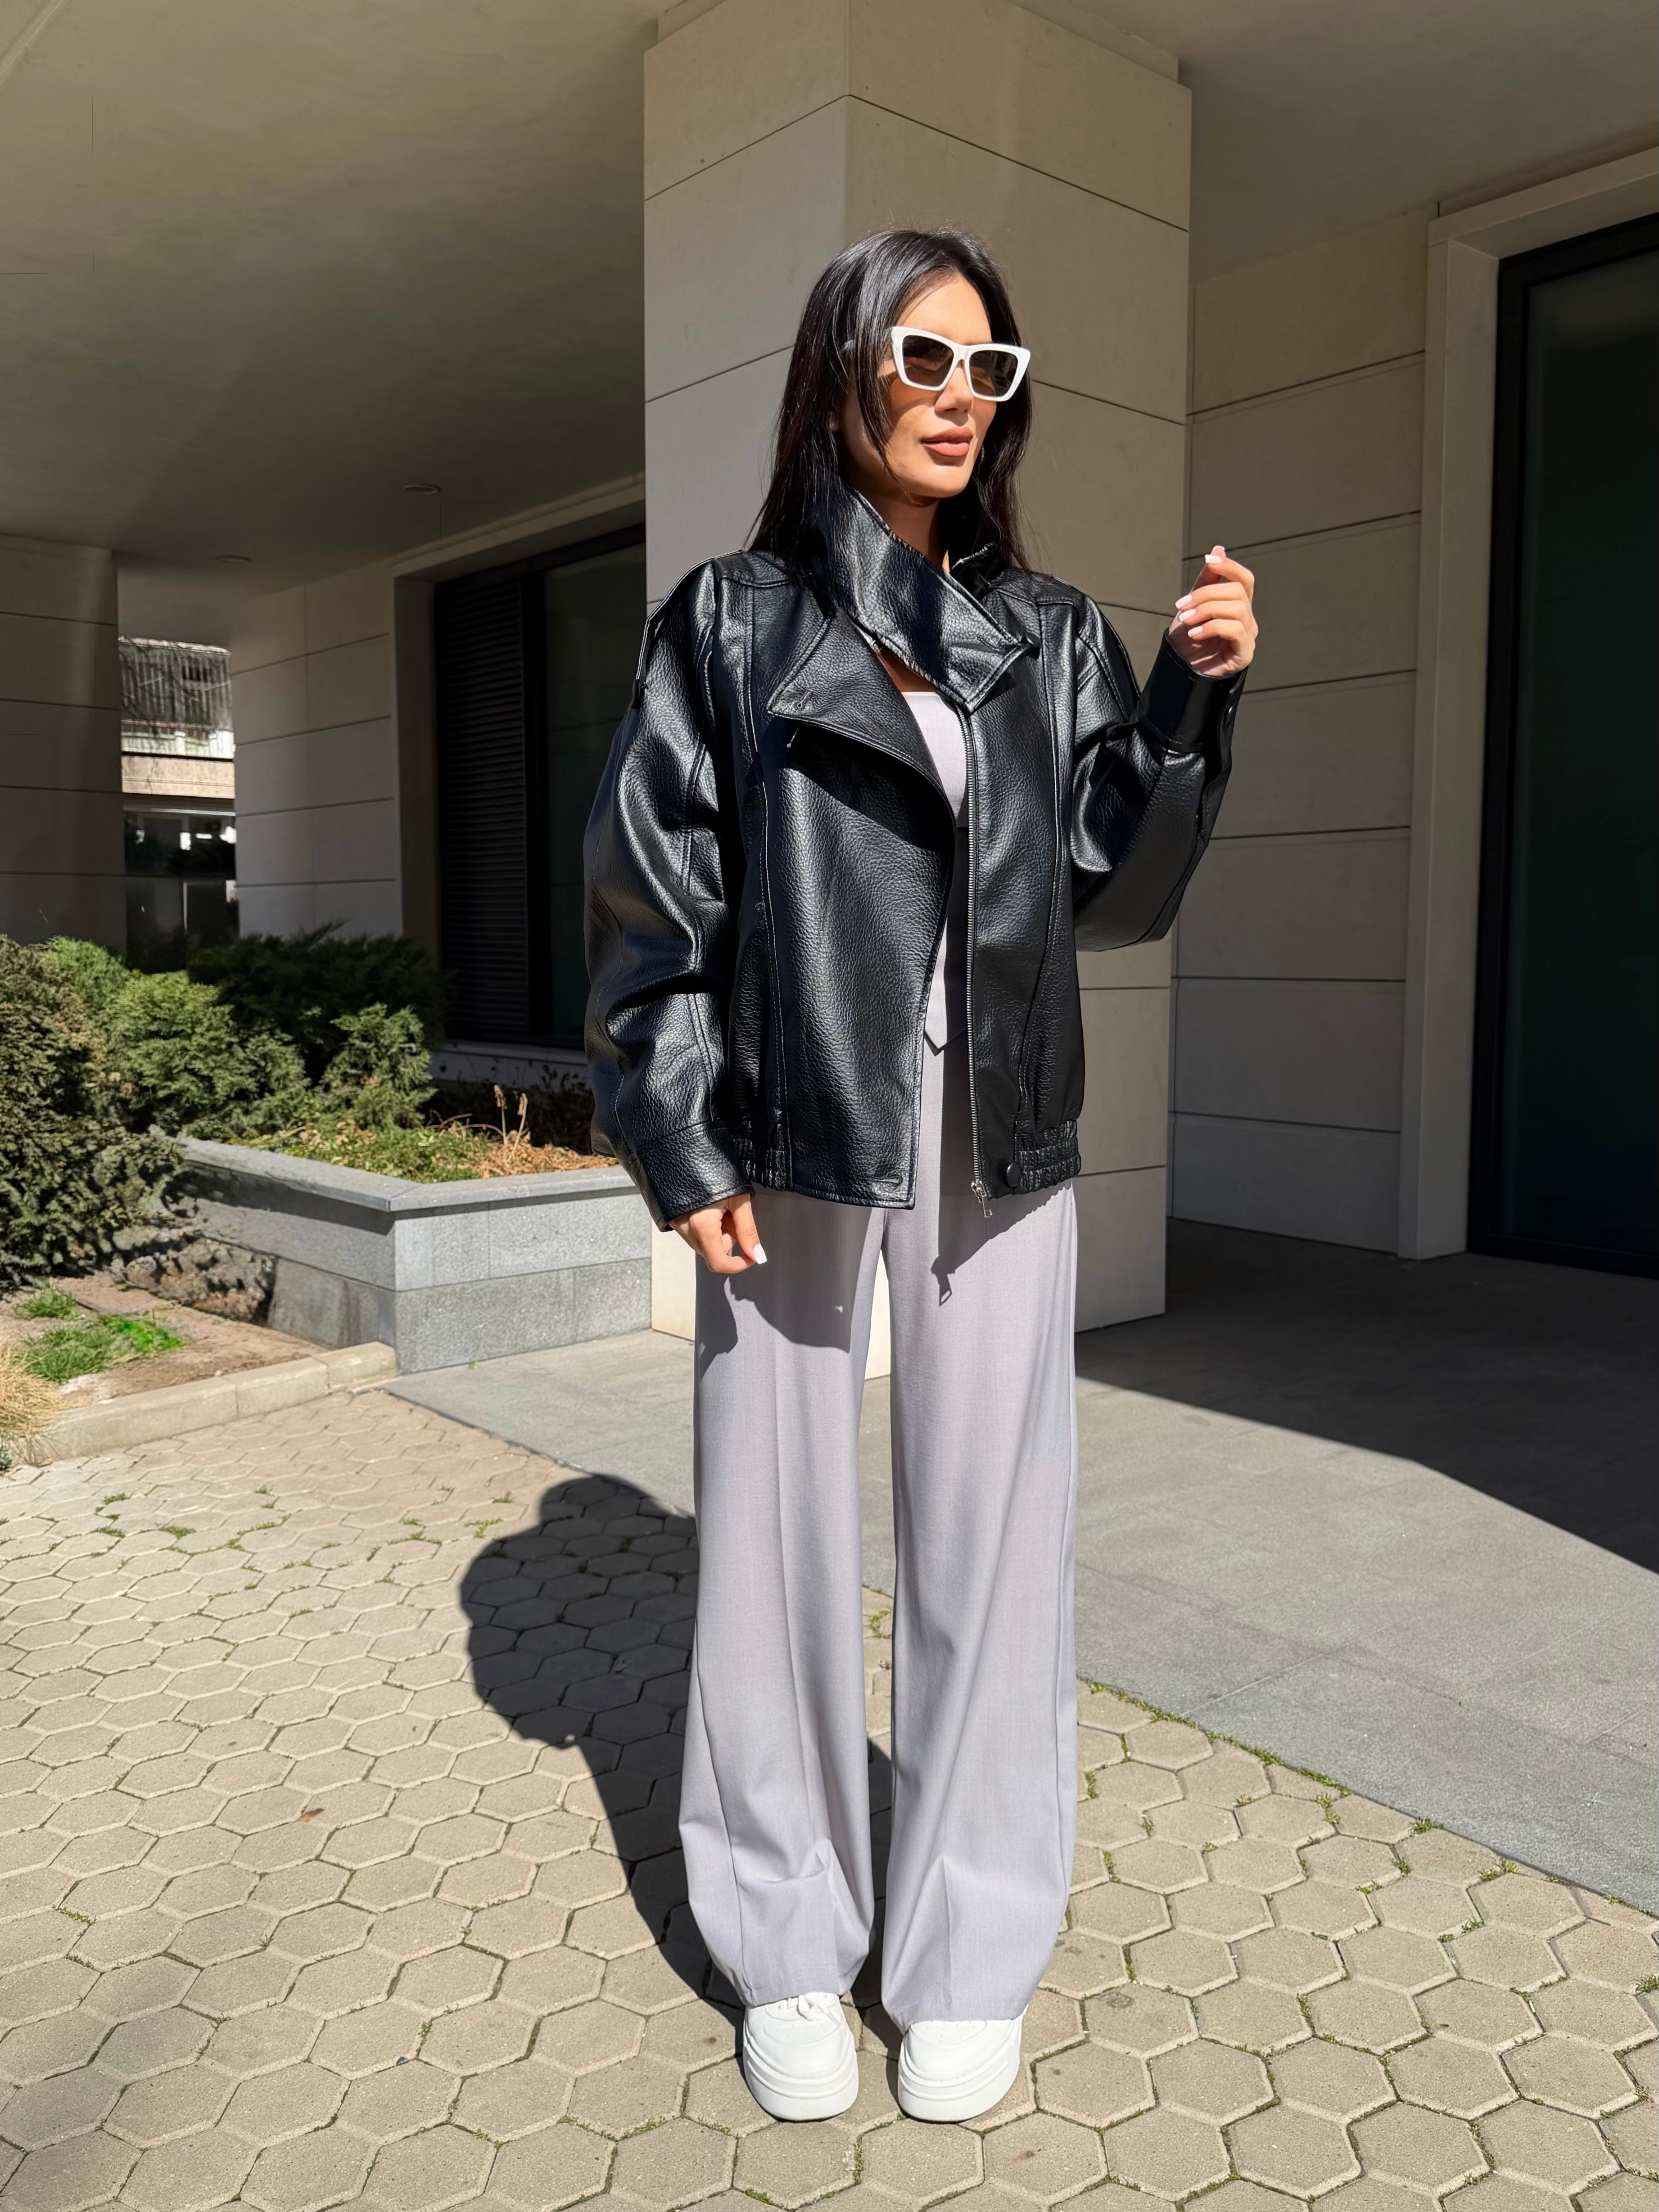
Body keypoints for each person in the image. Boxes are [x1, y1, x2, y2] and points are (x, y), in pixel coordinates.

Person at [583, 228, 1257, 2124]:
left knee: (996, 1540)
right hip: (791, 1115)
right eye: (926, 358)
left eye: (993, 370)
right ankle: (785, 1931)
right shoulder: (730, 620)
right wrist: (675, 1125)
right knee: (772, 1534)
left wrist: (1191, 698)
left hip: (1000, 1119)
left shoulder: (1045, 631)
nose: (963, 399)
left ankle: (967, 1945)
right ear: (843, 370)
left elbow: (1118, 890)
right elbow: (652, 889)